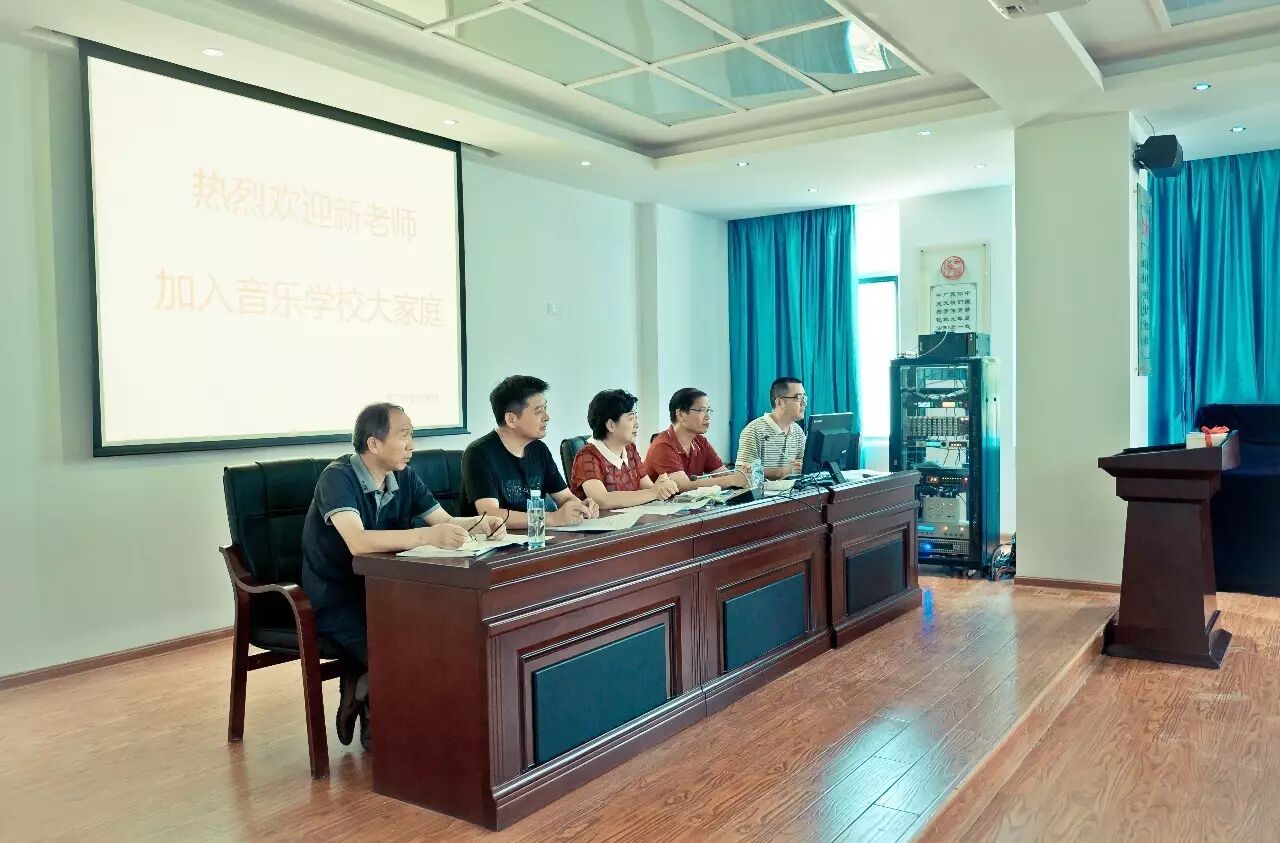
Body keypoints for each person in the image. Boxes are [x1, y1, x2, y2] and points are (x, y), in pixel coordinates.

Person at [301, 402, 506, 751]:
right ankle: (380, 722)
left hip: (389, 592)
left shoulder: (404, 475)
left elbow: (443, 521)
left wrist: (479, 524)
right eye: (404, 435)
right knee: (400, 653)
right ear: (374, 443)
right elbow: (358, 541)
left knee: (441, 639)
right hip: (338, 598)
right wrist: (427, 536)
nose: (412, 445)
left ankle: (366, 686)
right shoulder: (338, 478)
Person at [460, 375, 597, 529]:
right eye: (538, 412)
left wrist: (581, 507)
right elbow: (491, 514)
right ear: (511, 420)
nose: (547, 417)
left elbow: (564, 497)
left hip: (537, 537)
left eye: (545, 409)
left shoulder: (539, 449)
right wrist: (551, 518)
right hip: (494, 540)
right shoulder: (478, 454)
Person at [570, 389, 679, 508]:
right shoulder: (587, 456)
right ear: (611, 425)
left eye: (636, 417)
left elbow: (648, 488)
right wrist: (653, 492)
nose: (637, 424)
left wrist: (663, 486)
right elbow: (601, 500)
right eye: (631, 418)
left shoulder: (629, 449)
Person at [646, 387, 747, 492]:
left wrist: (743, 475)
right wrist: (733, 480)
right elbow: (682, 486)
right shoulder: (662, 445)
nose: (707, 416)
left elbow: (724, 475)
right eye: (701, 410)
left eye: (708, 410)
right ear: (680, 414)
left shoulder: (700, 442)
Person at [735, 377, 808, 480]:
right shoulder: (754, 430)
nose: (804, 403)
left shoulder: (798, 431)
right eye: (798, 398)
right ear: (779, 403)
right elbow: (742, 473)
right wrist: (781, 472)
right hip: (764, 490)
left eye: (804, 397)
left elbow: (803, 467)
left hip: (794, 489)